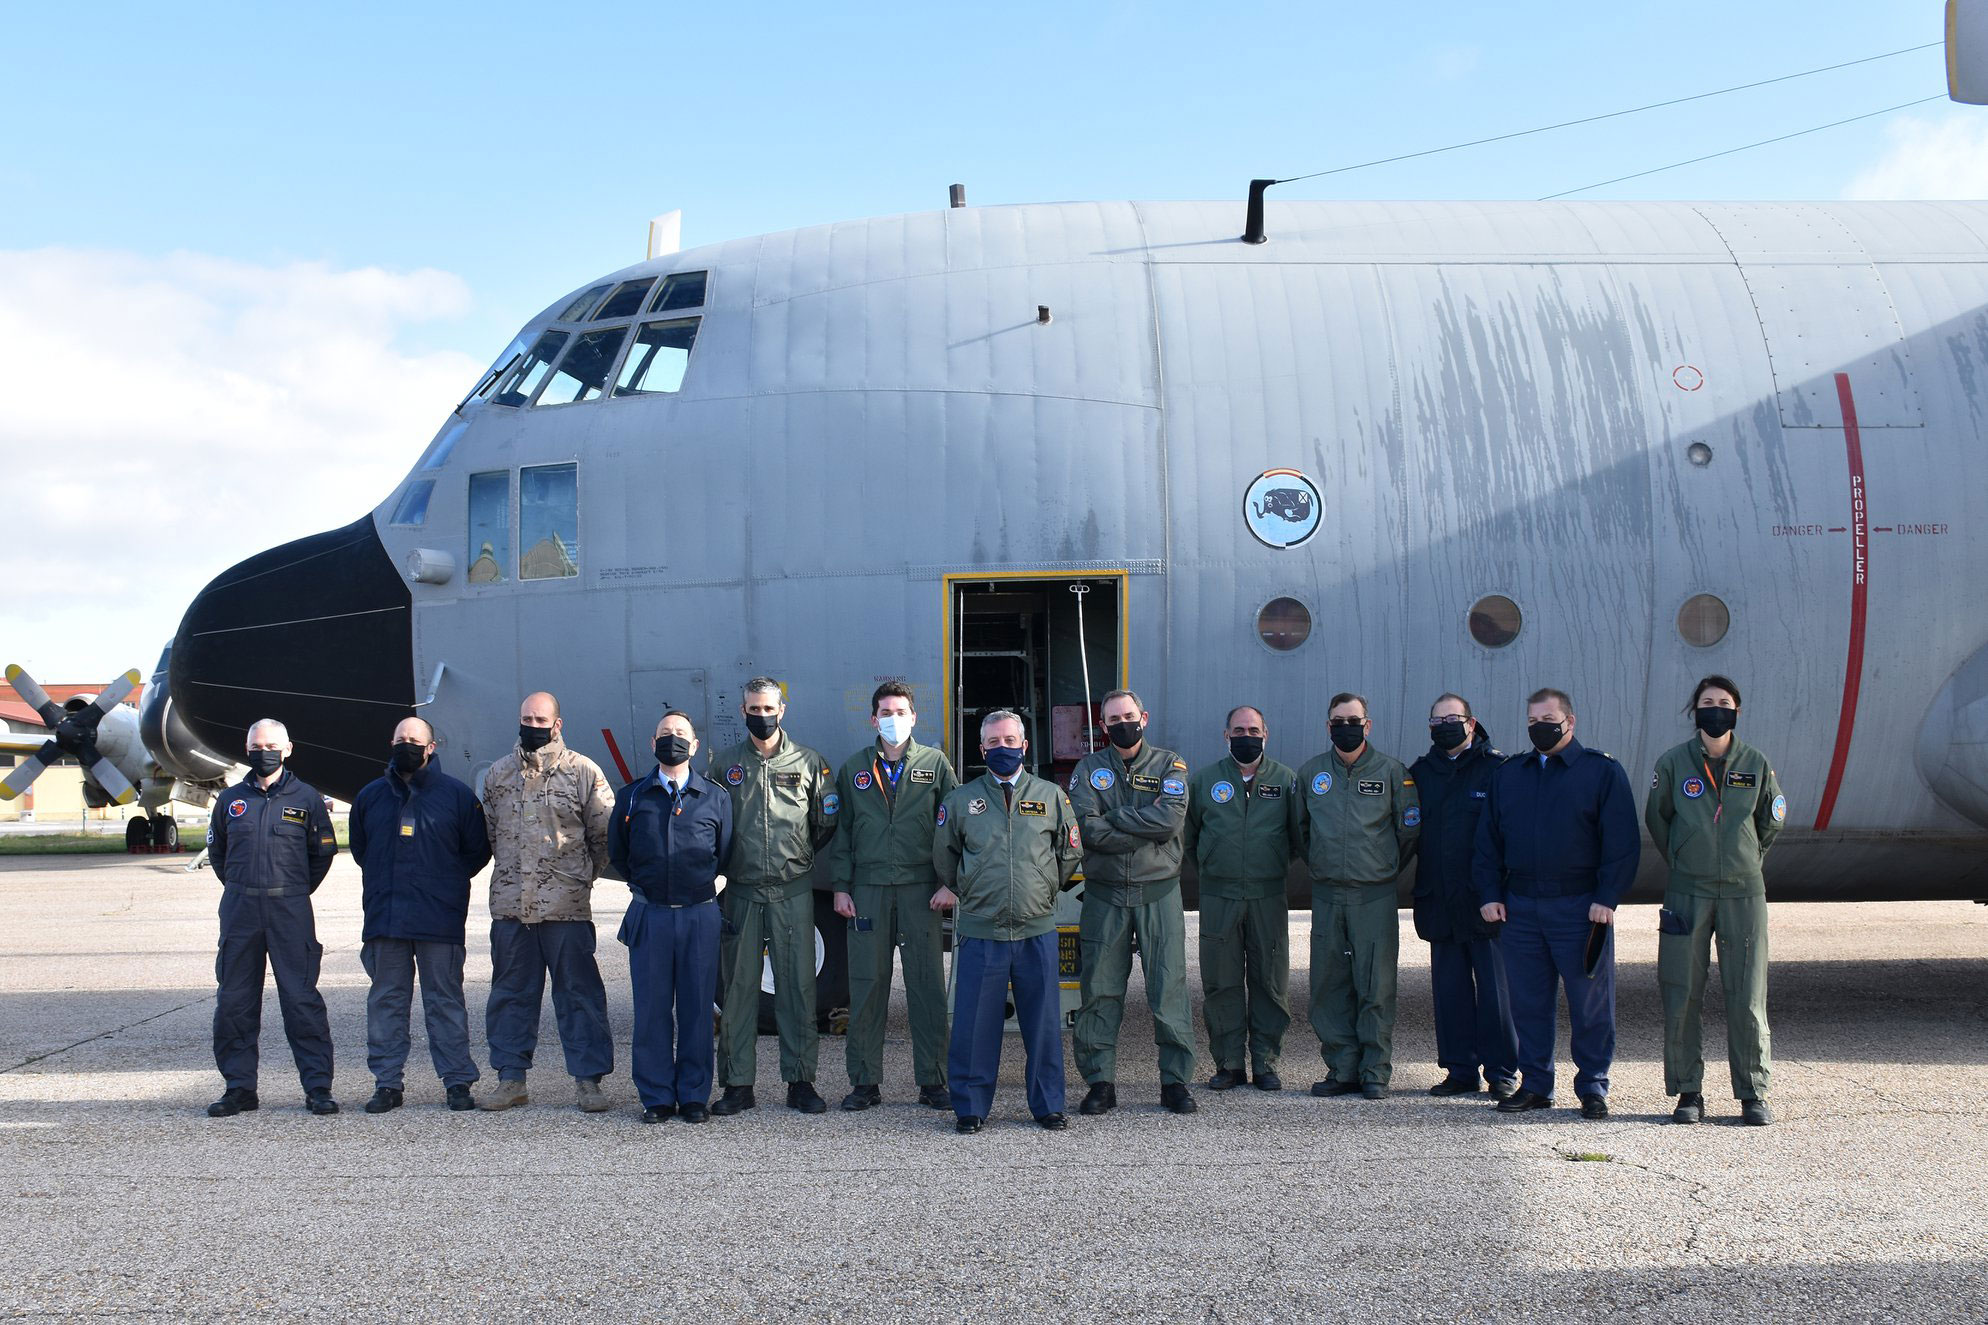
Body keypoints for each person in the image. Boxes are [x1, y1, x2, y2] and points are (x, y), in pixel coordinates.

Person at [1474, 688, 1639, 1120]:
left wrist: (1607, 898)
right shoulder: (1510, 775)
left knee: (1590, 1002)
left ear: (1570, 721)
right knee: (1528, 1003)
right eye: (1532, 721)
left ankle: (1592, 1086)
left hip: (1580, 907)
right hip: (1521, 907)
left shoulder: (1601, 772)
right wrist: (1490, 894)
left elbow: (1621, 843)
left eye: (1547, 719)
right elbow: (1487, 841)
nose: (1539, 728)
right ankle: (1536, 1085)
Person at [933, 709, 1083, 1132]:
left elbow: (1069, 853)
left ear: (1024, 745)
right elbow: (945, 859)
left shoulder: (1051, 796)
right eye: (994, 743)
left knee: (1043, 1023)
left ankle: (1049, 1104)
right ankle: (971, 1107)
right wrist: (975, 888)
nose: (1003, 749)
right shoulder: (961, 800)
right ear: (982, 749)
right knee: (974, 1023)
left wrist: (1042, 887)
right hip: (983, 929)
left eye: (1010, 741)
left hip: (1036, 928)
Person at [1645, 676, 1785, 1127]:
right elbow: (1658, 818)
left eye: (1724, 703)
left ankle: (1752, 1092)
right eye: (1707, 703)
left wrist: (1744, 858)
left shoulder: (1756, 763)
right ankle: (1688, 1092)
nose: (1716, 709)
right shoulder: (1673, 763)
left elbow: (1771, 819)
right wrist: (1688, 859)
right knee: (1681, 990)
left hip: (1744, 892)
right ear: (1695, 711)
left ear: (1737, 711)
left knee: (1747, 995)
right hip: (1688, 891)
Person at [477, 691, 617, 1113]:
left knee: (579, 996)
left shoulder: (582, 772)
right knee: (509, 995)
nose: (532, 726)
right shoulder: (499, 775)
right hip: (511, 909)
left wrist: (578, 879)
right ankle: (510, 1079)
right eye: (526, 718)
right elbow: (488, 834)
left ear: (558, 724)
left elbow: (604, 838)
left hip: (566, 908)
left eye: (541, 719)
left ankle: (589, 1082)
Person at [707, 677, 838, 1117]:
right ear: (742, 711)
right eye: (753, 709)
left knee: (799, 988)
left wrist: (793, 859)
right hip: (741, 892)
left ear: (782, 711)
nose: (760, 716)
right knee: (739, 989)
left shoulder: (808, 763)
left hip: (792, 891)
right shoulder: (723, 765)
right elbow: (712, 827)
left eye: (768, 709)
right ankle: (737, 1085)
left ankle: (800, 1082)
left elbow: (823, 824)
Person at [347, 716, 492, 1113]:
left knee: (445, 1001)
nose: (405, 745)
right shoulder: (370, 797)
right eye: (399, 739)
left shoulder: (458, 797)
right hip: (386, 919)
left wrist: (440, 883)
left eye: (414, 740)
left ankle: (458, 1081)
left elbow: (476, 852)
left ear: (431, 747)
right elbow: (362, 850)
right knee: (386, 1003)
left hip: (439, 920)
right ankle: (387, 1083)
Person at [827, 682, 959, 1112]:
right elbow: (842, 833)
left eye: (901, 711)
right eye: (886, 711)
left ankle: (933, 1081)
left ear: (914, 717)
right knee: (866, 988)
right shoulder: (855, 770)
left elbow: (956, 828)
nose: (893, 719)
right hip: (867, 891)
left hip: (922, 890)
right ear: (873, 718)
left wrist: (951, 882)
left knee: (927, 987)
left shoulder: (936, 765)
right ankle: (865, 1082)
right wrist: (841, 887)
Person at [1067, 689, 1197, 1115]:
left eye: (1129, 715)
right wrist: (1145, 824)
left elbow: (1171, 819)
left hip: (1158, 892)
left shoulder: (1170, 764)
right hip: (1105, 897)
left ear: (1144, 717)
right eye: (1113, 718)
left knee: (1168, 989)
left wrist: (1116, 819)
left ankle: (1175, 1082)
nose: (1123, 723)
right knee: (1100, 991)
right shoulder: (1088, 768)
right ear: (1103, 726)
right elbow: (1086, 828)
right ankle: (1100, 1081)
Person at [204, 718, 340, 1117]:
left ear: (288, 749)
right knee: (234, 1002)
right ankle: (239, 1089)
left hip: (290, 909)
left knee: (301, 1001)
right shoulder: (230, 800)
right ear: (247, 749)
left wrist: (293, 890)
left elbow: (322, 854)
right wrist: (242, 887)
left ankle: (318, 1089)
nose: (264, 752)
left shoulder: (307, 798)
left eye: (271, 745)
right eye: (256, 745)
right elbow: (218, 855)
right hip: (241, 909)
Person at [1294, 693, 1419, 1100]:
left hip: (1374, 896)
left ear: (1367, 725)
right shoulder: (1313, 773)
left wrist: (1378, 868)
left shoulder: (1391, 772)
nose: (1345, 727)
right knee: (1329, 984)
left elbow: (1408, 832)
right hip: (1328, 894)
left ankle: (1375, 1072)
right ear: (1327, 726)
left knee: (1375, 984)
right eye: (1337, 720)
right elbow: (1301, 829)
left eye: (1353, 720)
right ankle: (1342, 1068)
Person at [611, 710, 734, 1124]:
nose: (673, 740)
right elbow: (619, 855)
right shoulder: (631, 797)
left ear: (695, 746)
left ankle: (695, 1095)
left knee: (699, 1009)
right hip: (651, 916)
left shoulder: (715, 797)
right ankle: (657, 1096)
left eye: (681, 734)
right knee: (651, 1010)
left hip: (700, 915)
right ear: (653, 744)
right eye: (666, 734)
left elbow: (726, 853)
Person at [1182, 704, 1297, 1092]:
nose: (1246, 736)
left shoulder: (1285, 781)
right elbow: (1190, 837)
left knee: (1270, 980)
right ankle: (1229, 1063)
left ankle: (1265, 1061)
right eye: (1238, 730)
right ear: (1225, 735)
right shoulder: (1204, 781)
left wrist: (1269, 861)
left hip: (1267, 895)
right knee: (1221, 981)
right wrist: (1216, 865)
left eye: (1253, 730)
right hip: (1219, 896)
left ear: (1266, 734)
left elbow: (1297, 836)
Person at [1407, 695, 1517, 1101]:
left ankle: (1503, 1071)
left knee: (1496, 992)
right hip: (1440, 898)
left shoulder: (1497, 770)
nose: (1445, 725)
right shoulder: (1421, 773)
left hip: (1484, 900)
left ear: (1472, 723)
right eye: (1437, 720)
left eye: (1453, 718)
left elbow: (1510, 835)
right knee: (1449, 991)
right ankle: (1459, 1069)